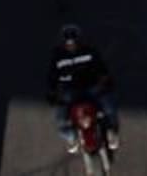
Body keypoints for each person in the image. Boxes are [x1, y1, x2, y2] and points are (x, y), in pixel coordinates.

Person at [47, 24, 119, 155]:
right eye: (68, 43)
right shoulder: (57, 56)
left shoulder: (90, 51)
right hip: (69, 91)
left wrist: (106, 81)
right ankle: (71, 138)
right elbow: (52, 76)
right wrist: (52, 92)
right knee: (61, 120)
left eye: (73, 43)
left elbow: (101, 67)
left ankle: (111, 131)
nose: (71, 46)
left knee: (109, 107)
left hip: (91, 87)